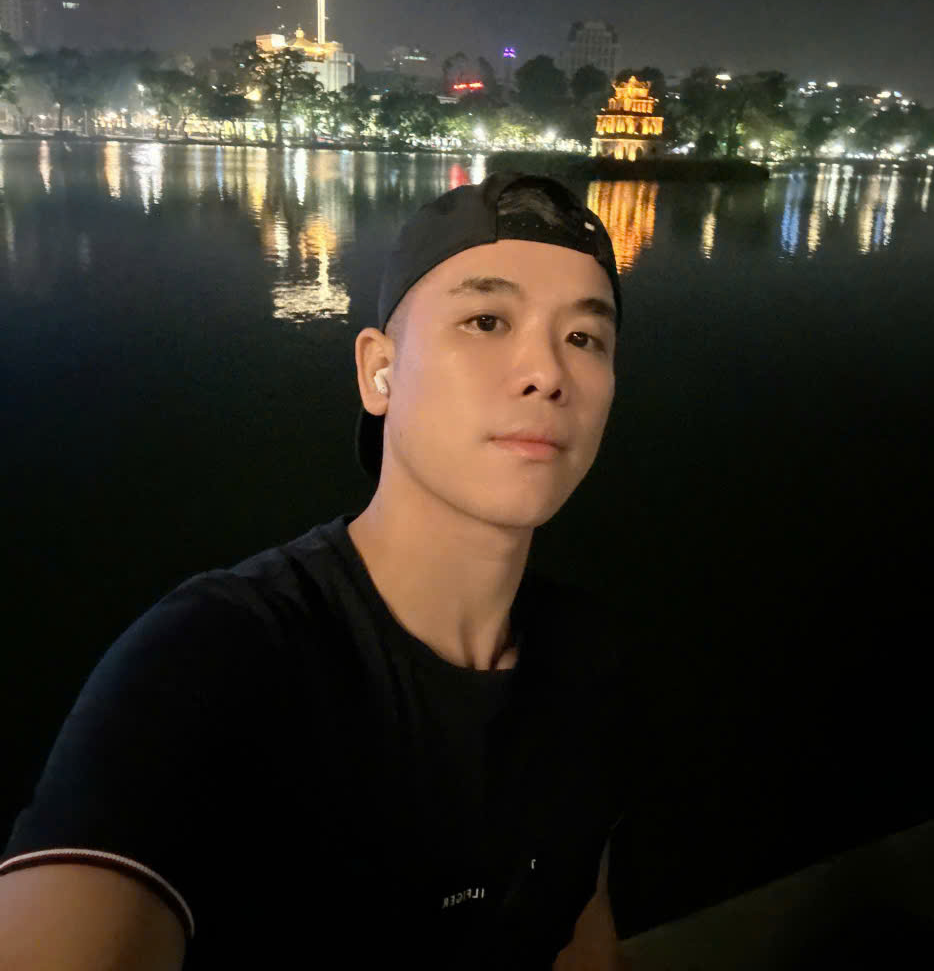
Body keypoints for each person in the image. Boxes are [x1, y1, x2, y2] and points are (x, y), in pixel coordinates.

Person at [0, 170, 638, 969]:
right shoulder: (221, 659)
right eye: (486, 320)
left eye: (585, 338)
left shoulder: (587, 665)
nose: (546, 372)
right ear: (378, 371)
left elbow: (581, 932)